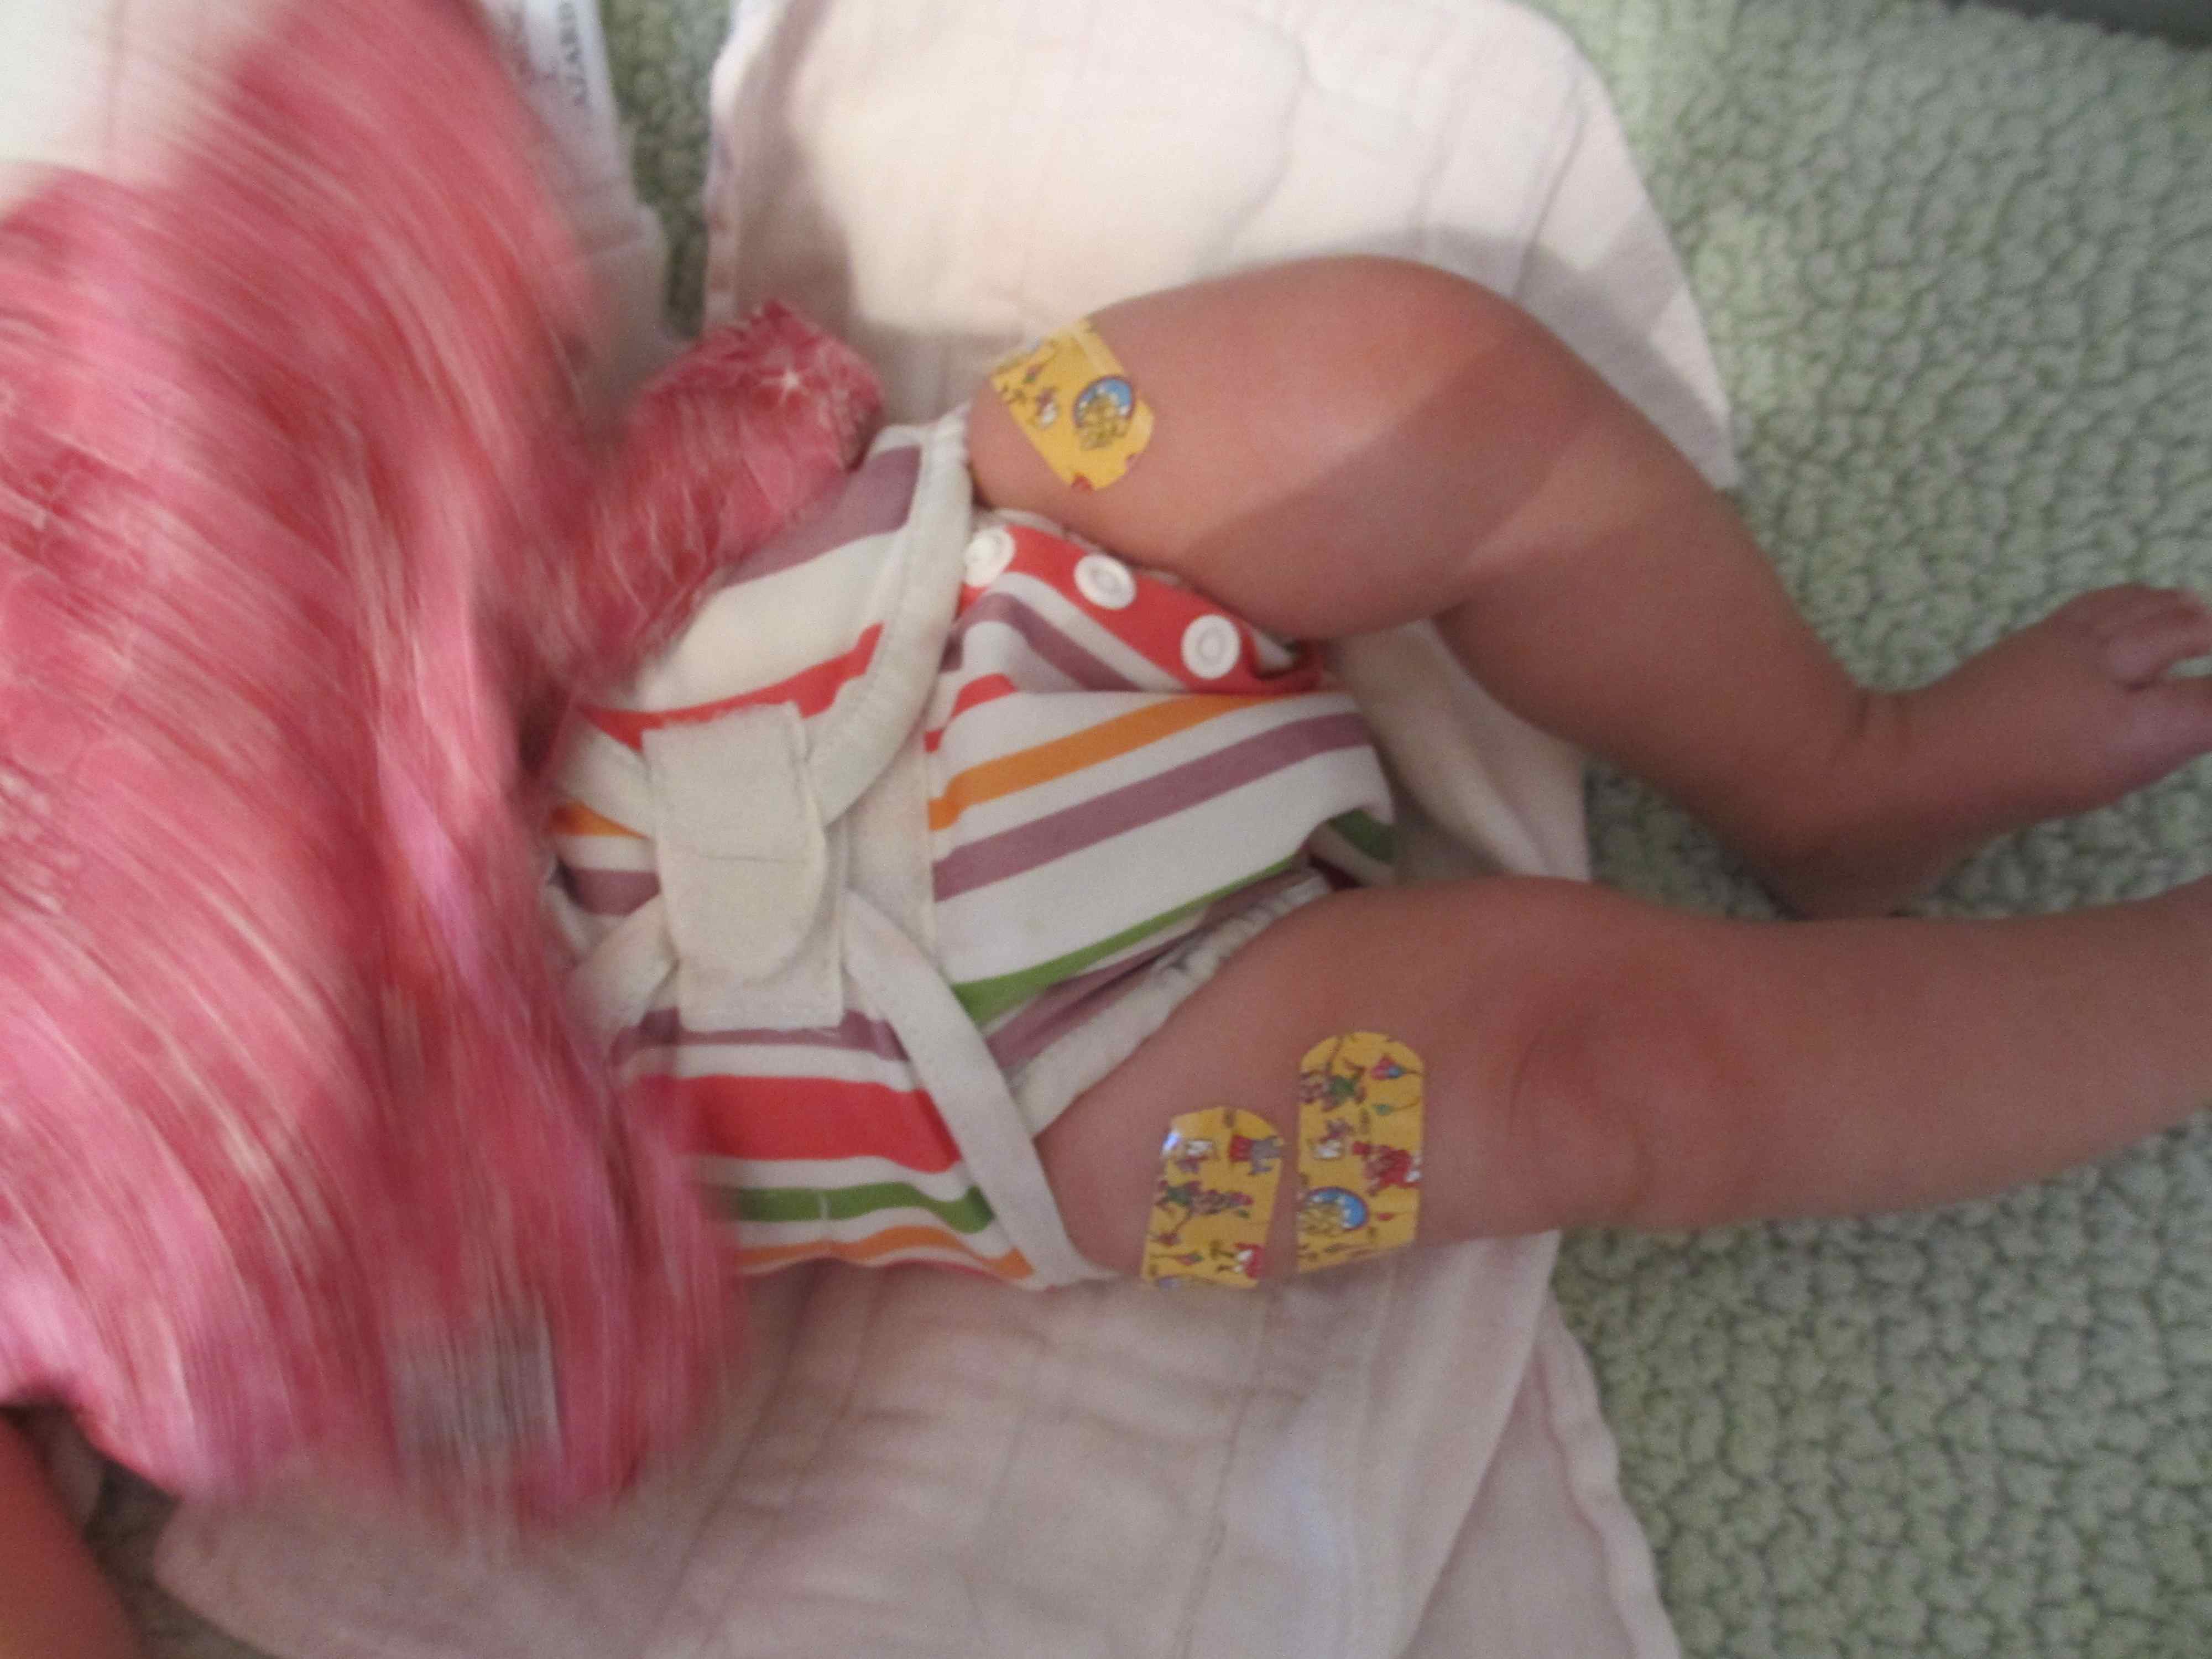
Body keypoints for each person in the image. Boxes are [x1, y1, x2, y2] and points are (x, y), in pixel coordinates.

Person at [6, 254, 2209, 1655]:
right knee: (1586, 1081)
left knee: (1417, 377)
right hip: (1027, 1091)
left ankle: (1834, 770)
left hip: (971, 550)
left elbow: (247, 349)